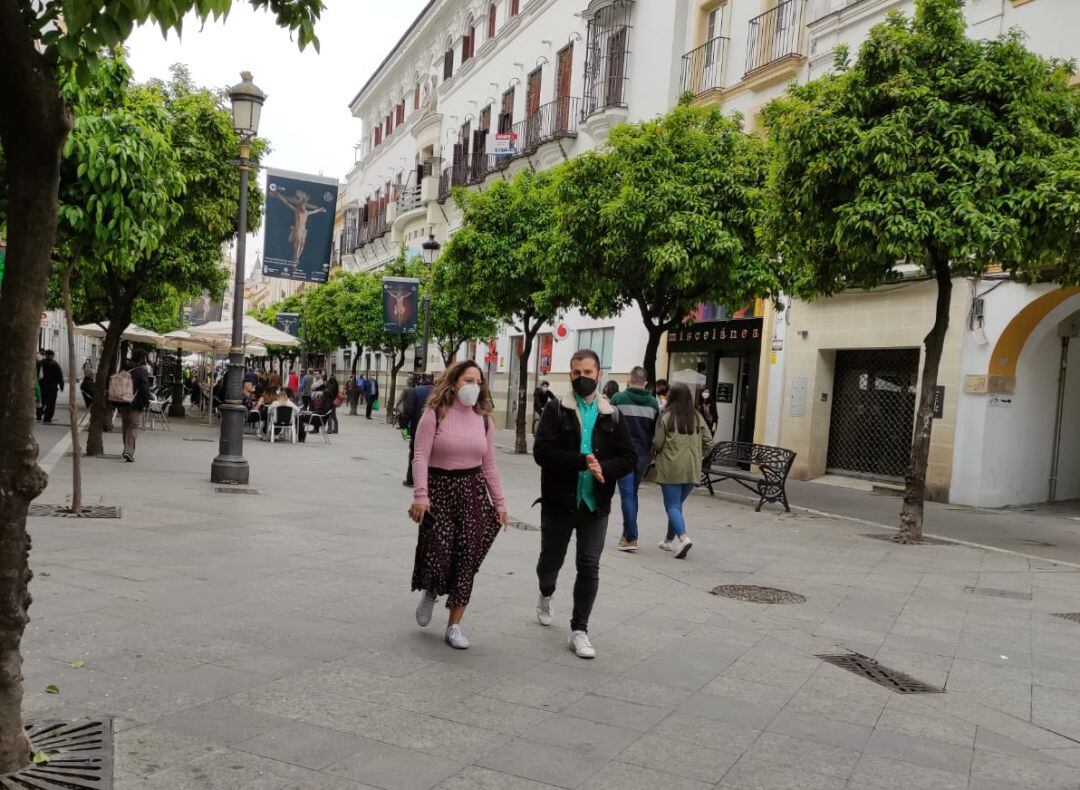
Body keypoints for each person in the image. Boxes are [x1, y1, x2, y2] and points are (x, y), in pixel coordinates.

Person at [533, 348, 636, 659]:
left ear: (599, 375)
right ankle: (545, 592)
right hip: (559, 502)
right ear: (570, 374)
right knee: (551, 561)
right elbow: (542, 453)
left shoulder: (613, 415)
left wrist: (605, 468)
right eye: (576, 374)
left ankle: (579, 629)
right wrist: (581, 461)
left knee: (589, 565)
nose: (582, 379)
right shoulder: (555, 410)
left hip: (595, 505)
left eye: (587, 374)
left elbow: (629, 457)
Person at [409, 360, 508, 649]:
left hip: (472, 492)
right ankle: (431, 591)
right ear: (453, 383)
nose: (473, 387)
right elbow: (420, 458)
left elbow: (489, 464)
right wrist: (421, 495)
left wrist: (499, 503)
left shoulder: (485, 420)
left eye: (478, 382)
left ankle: (454, 625)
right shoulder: (434, 414)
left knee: (467, 558)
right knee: (438, 552)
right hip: (439, 490)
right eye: (467, 381)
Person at [652, 383, 713, 559]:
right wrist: (699, 455)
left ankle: (683, 538)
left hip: (671, 467)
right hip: (692, 468)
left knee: (671, 506)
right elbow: (709, 443)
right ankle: (668, 540)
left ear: (671, 396)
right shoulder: (698, 417)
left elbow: (657, 443)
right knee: (677, 506)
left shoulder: (666, 417)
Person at [611, 366, 660, 552]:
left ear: (630, 379)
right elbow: (655, 430)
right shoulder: (653, 403)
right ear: (645, 382)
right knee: (632, 492)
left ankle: (631, 537)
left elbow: (610, 425)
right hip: (642, 455)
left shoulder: (618, 399)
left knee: (627, 494)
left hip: (622, 453)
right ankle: (628, 534)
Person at [114, 349, 152, 462]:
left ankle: (126, 448)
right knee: (134, 426)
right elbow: (145, 388)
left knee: (126, 426)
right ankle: (129, 451)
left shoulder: (125, 367)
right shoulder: (142, 371)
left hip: (123, 401)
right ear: (142, 358)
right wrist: (146, 401)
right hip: (136, 403)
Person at [402, 373, 435, 486]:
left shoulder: (415, 391)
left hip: (418, 429)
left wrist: (404, 427)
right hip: (436, 430)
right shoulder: (439, 392)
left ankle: (411, 479)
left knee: (415, 454)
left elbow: (408, 411)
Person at [37, 349, 65, 423]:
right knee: (51, 404)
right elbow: (60, 376)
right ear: (53, 356)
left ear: (46, 355)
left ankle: (39, 415)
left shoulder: (40, 363)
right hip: (52, 388)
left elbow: (36, 375)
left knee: (41, 402)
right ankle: (47, 417)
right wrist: (61, 386)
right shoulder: (55, 365)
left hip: (42, 387)